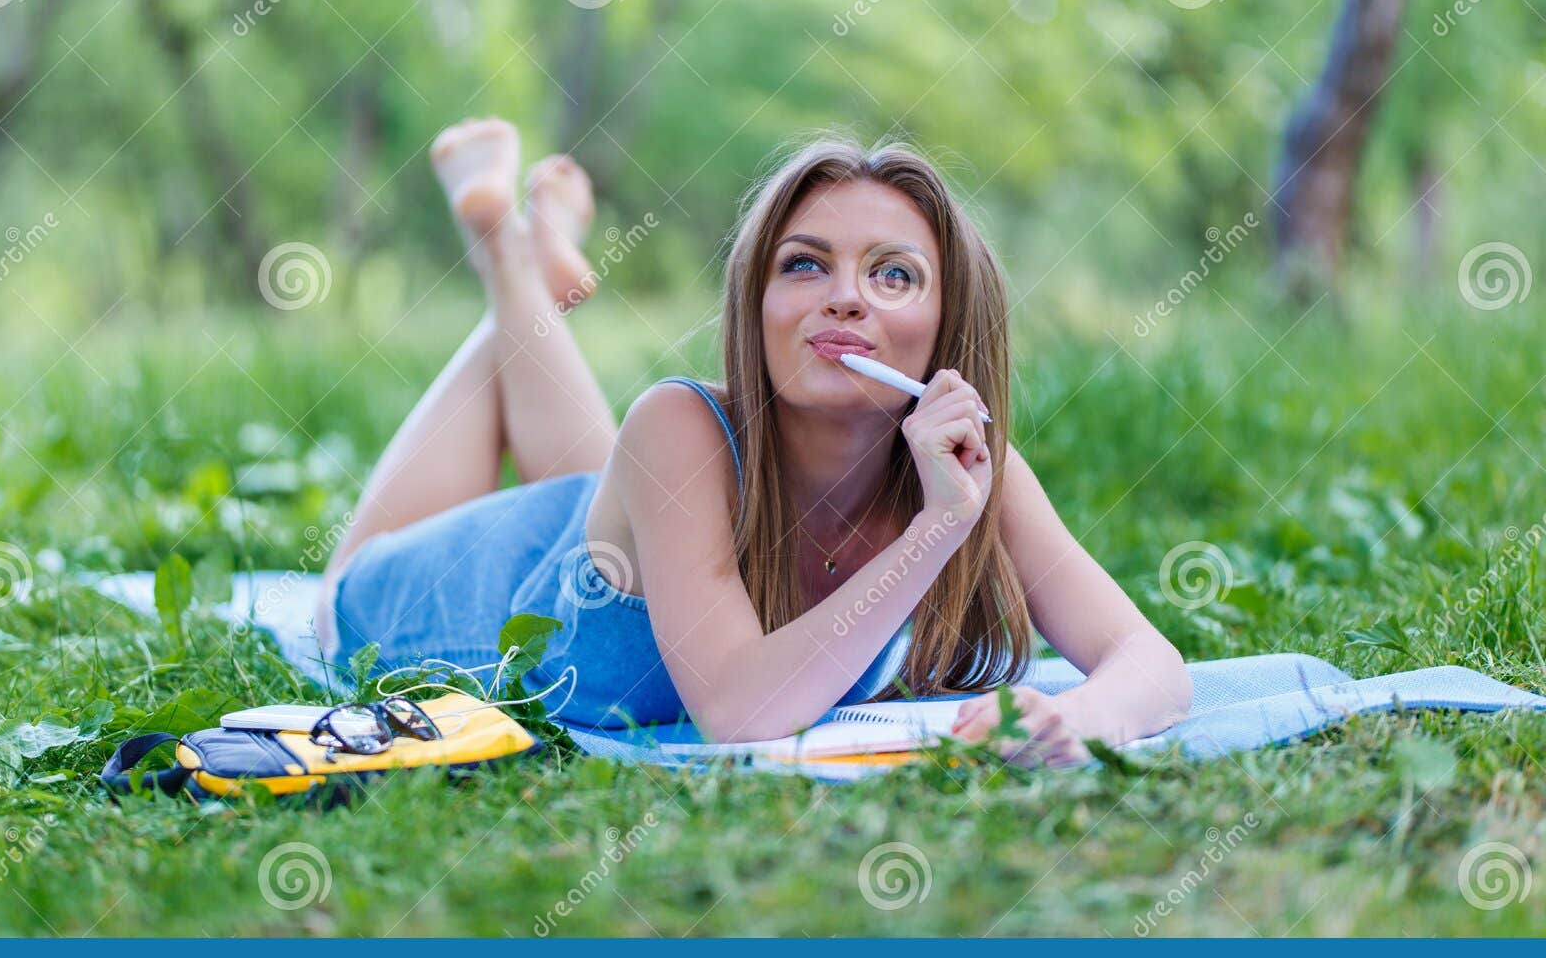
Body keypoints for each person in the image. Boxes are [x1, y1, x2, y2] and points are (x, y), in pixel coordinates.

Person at [316, 118, 1191, 767]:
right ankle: (504, 256)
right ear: (757, 308)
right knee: (352, 579)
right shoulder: (678, 426)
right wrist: (934, 532)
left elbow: (1150, 661)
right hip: (448, 591)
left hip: (620, 529)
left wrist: (1080, 719)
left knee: (609, 488)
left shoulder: (968, 472)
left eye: (894, 274)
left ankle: (529, 268)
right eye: (805, 264)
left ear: (947, 323)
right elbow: (741, 707)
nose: (846, 298)